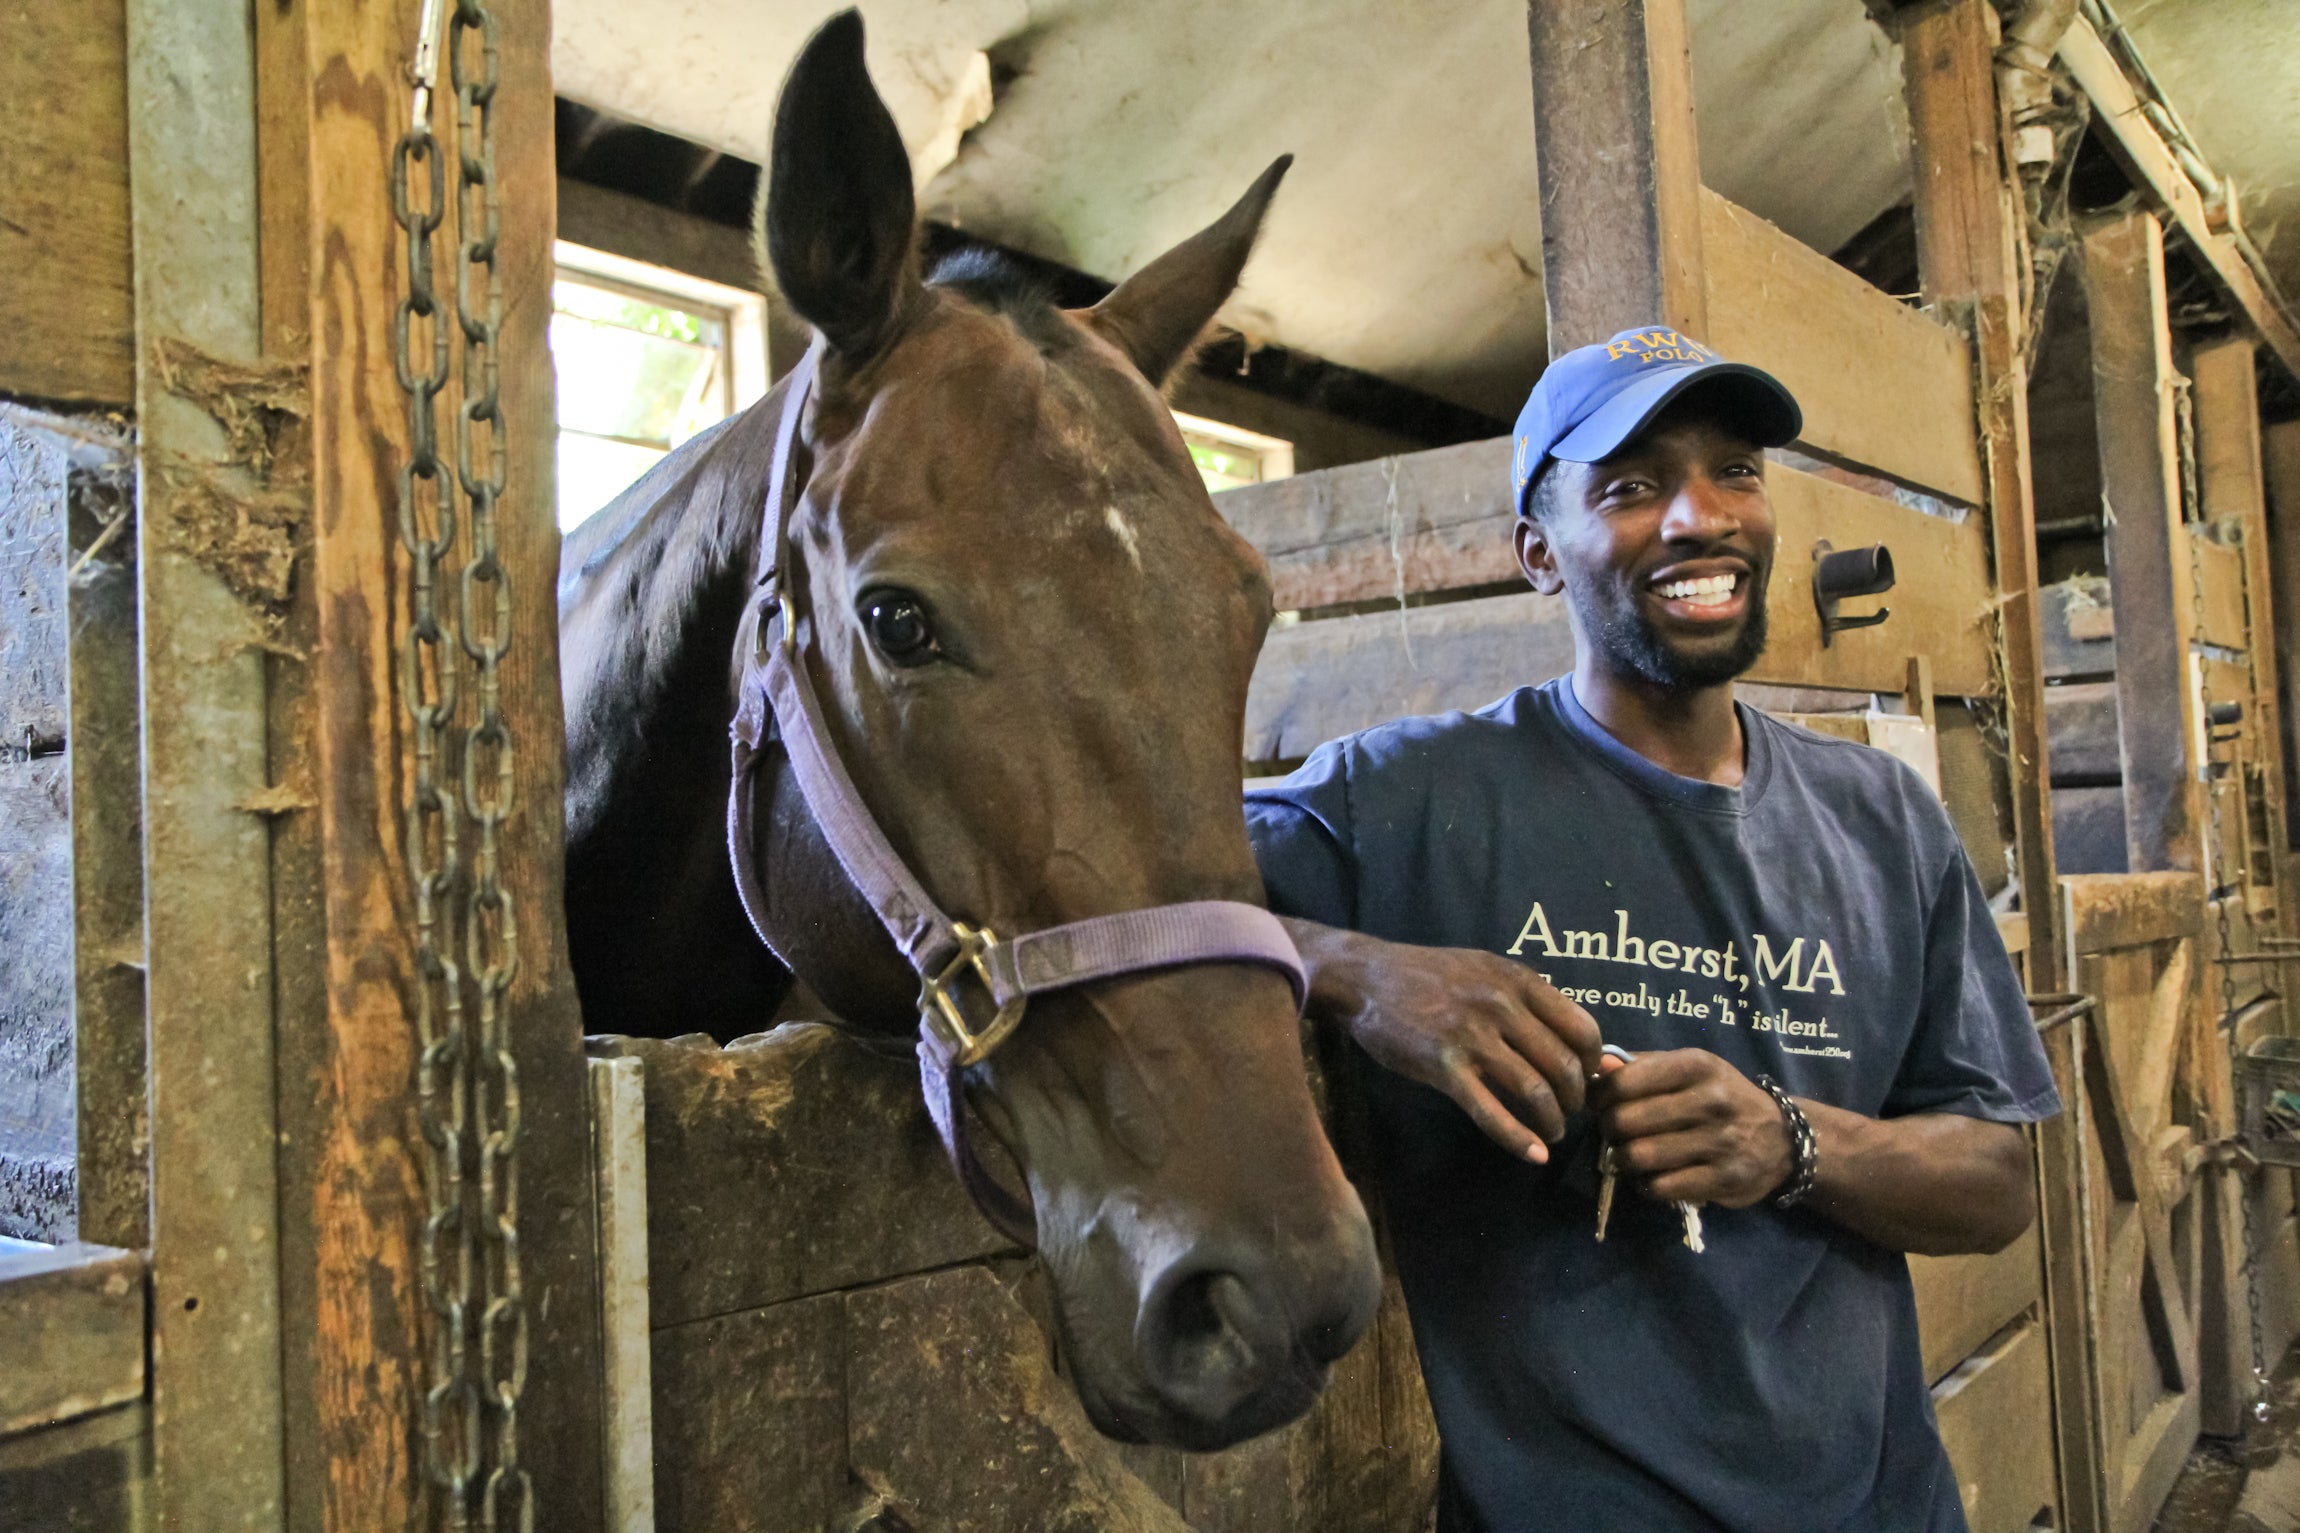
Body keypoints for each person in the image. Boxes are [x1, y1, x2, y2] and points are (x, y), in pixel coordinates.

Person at [1246, 326, 2061, 1532]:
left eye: (1733, 471)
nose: (1698, 517)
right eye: (1628, 488)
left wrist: (1785, 1145)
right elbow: (1128, 898)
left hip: (1878, 1507)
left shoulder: (1881, 818)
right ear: (1536, 551)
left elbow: (1996, 1182)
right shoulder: (1396, 799)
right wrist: (1352, 971)